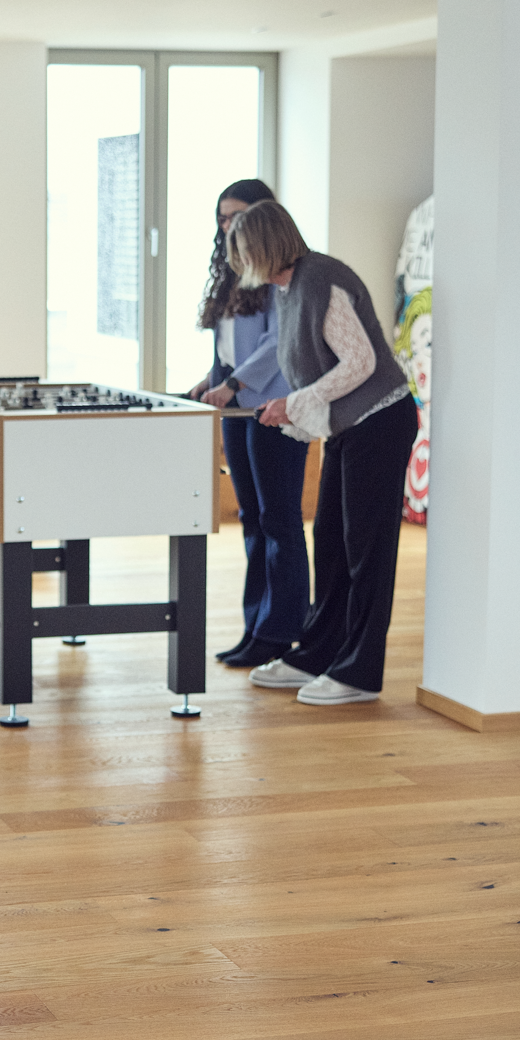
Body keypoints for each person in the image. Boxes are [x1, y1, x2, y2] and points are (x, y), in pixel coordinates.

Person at [225, 200, 415, 706]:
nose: (239, 261)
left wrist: (294, 404)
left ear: (264, 244)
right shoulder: (287, 289)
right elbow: (320, 373)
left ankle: (359, 673)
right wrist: (292, 411)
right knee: (330, 543)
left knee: (367, 551)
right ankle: (317, 654)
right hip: (350, 427)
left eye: (243, 249)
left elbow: (360, 363)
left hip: (381, 421)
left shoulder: (321, 279)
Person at [186, 179, 309, 669]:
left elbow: (279, 342)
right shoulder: (232, 268)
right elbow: (229, 340)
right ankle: (257, 625)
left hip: (274, 406)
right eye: (222, 218)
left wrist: (234, 383)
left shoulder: (282, 269)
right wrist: (214, 378)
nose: (228, 226)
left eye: (236, 216)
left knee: (279, 519)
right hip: (238, 405)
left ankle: (281, 630)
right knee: (252, 517)